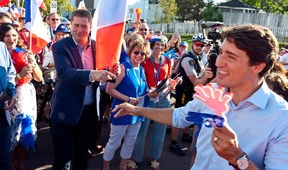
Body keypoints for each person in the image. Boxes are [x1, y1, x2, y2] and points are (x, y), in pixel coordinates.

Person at [113, 24, 288, 170]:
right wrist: (136, 110)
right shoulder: (212, 91)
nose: (219, 62)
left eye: (231, 56)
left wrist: (238, 158)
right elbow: (180, 117)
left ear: (257, 66)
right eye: (221, 52)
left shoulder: (281, 119)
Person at [50, 9, 118, 170]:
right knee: (63, 159)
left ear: (90, 26)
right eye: (76, 25)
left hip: (89, 113)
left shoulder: (97, 47)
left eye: (84, 26)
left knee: (82, 157)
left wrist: (114, 72)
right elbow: (65, 73)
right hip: (65, 111)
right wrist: (93, 74)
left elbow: (107, 70)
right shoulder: (60, 46)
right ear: (70, 25)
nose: (79, 30)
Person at [0, 23, 43, 170]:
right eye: (7, 35)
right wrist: (20, 75)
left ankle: (21, 165)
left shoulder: (25, 52)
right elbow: (5, 82)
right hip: (8, 98)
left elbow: (38, 78)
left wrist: (33, 64)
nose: (11, 39)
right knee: (10, 136)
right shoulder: (1, 55)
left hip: (25, 98)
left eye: (14, 35)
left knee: (25, 134)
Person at [103, 41, 150, 170]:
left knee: (130, 142)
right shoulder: (123, 68)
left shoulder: (141, 69)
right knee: (114, 143)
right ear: (130, 52)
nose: (139, 55)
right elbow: (109, 89)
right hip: (121, 111)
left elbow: (142, 90)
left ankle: (123, 166)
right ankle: (105, 167)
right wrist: (128, 99)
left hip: (136, 113)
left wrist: (151, 92)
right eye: (136, 52)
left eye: (142, 53)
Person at [129, 35, 172, 170]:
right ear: (152, 45)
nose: (159, 47)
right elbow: (140, 78)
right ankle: (135, 158)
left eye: (162, 45)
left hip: (164, 98)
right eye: (157, 44)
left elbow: (168, 79)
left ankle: (154, 157)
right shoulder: (145, 60)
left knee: (160, 130)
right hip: (148, 98)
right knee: (142, 129)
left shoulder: (168, 61)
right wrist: (148, 90)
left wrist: (173, 84)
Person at [170, 33, 213, 156]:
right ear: (193, 44)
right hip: (184, 89)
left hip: (191, 90)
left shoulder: (199, 56)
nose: (200, 47)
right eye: (197, 44)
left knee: (191, 112)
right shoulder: (188, 58)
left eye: (202, 45)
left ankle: (186, 135)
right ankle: (173, 142)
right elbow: (195, 80)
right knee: (178, 114)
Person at [0, 41, 16, 170]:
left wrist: (11, 93)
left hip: (2, 114)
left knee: (3, 158)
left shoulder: (1, 47)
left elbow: (10, 72)